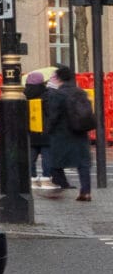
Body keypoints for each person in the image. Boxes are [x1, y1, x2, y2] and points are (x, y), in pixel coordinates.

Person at [47, 68, 96, 202]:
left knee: (54, 164)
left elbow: (54, 116)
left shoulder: (58, 94)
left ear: (59, 78)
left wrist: (48, 129)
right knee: (83, 164)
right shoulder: (81, 92)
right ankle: (85, 192)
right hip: (80, 132)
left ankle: (61, 188)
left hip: (62, 134)